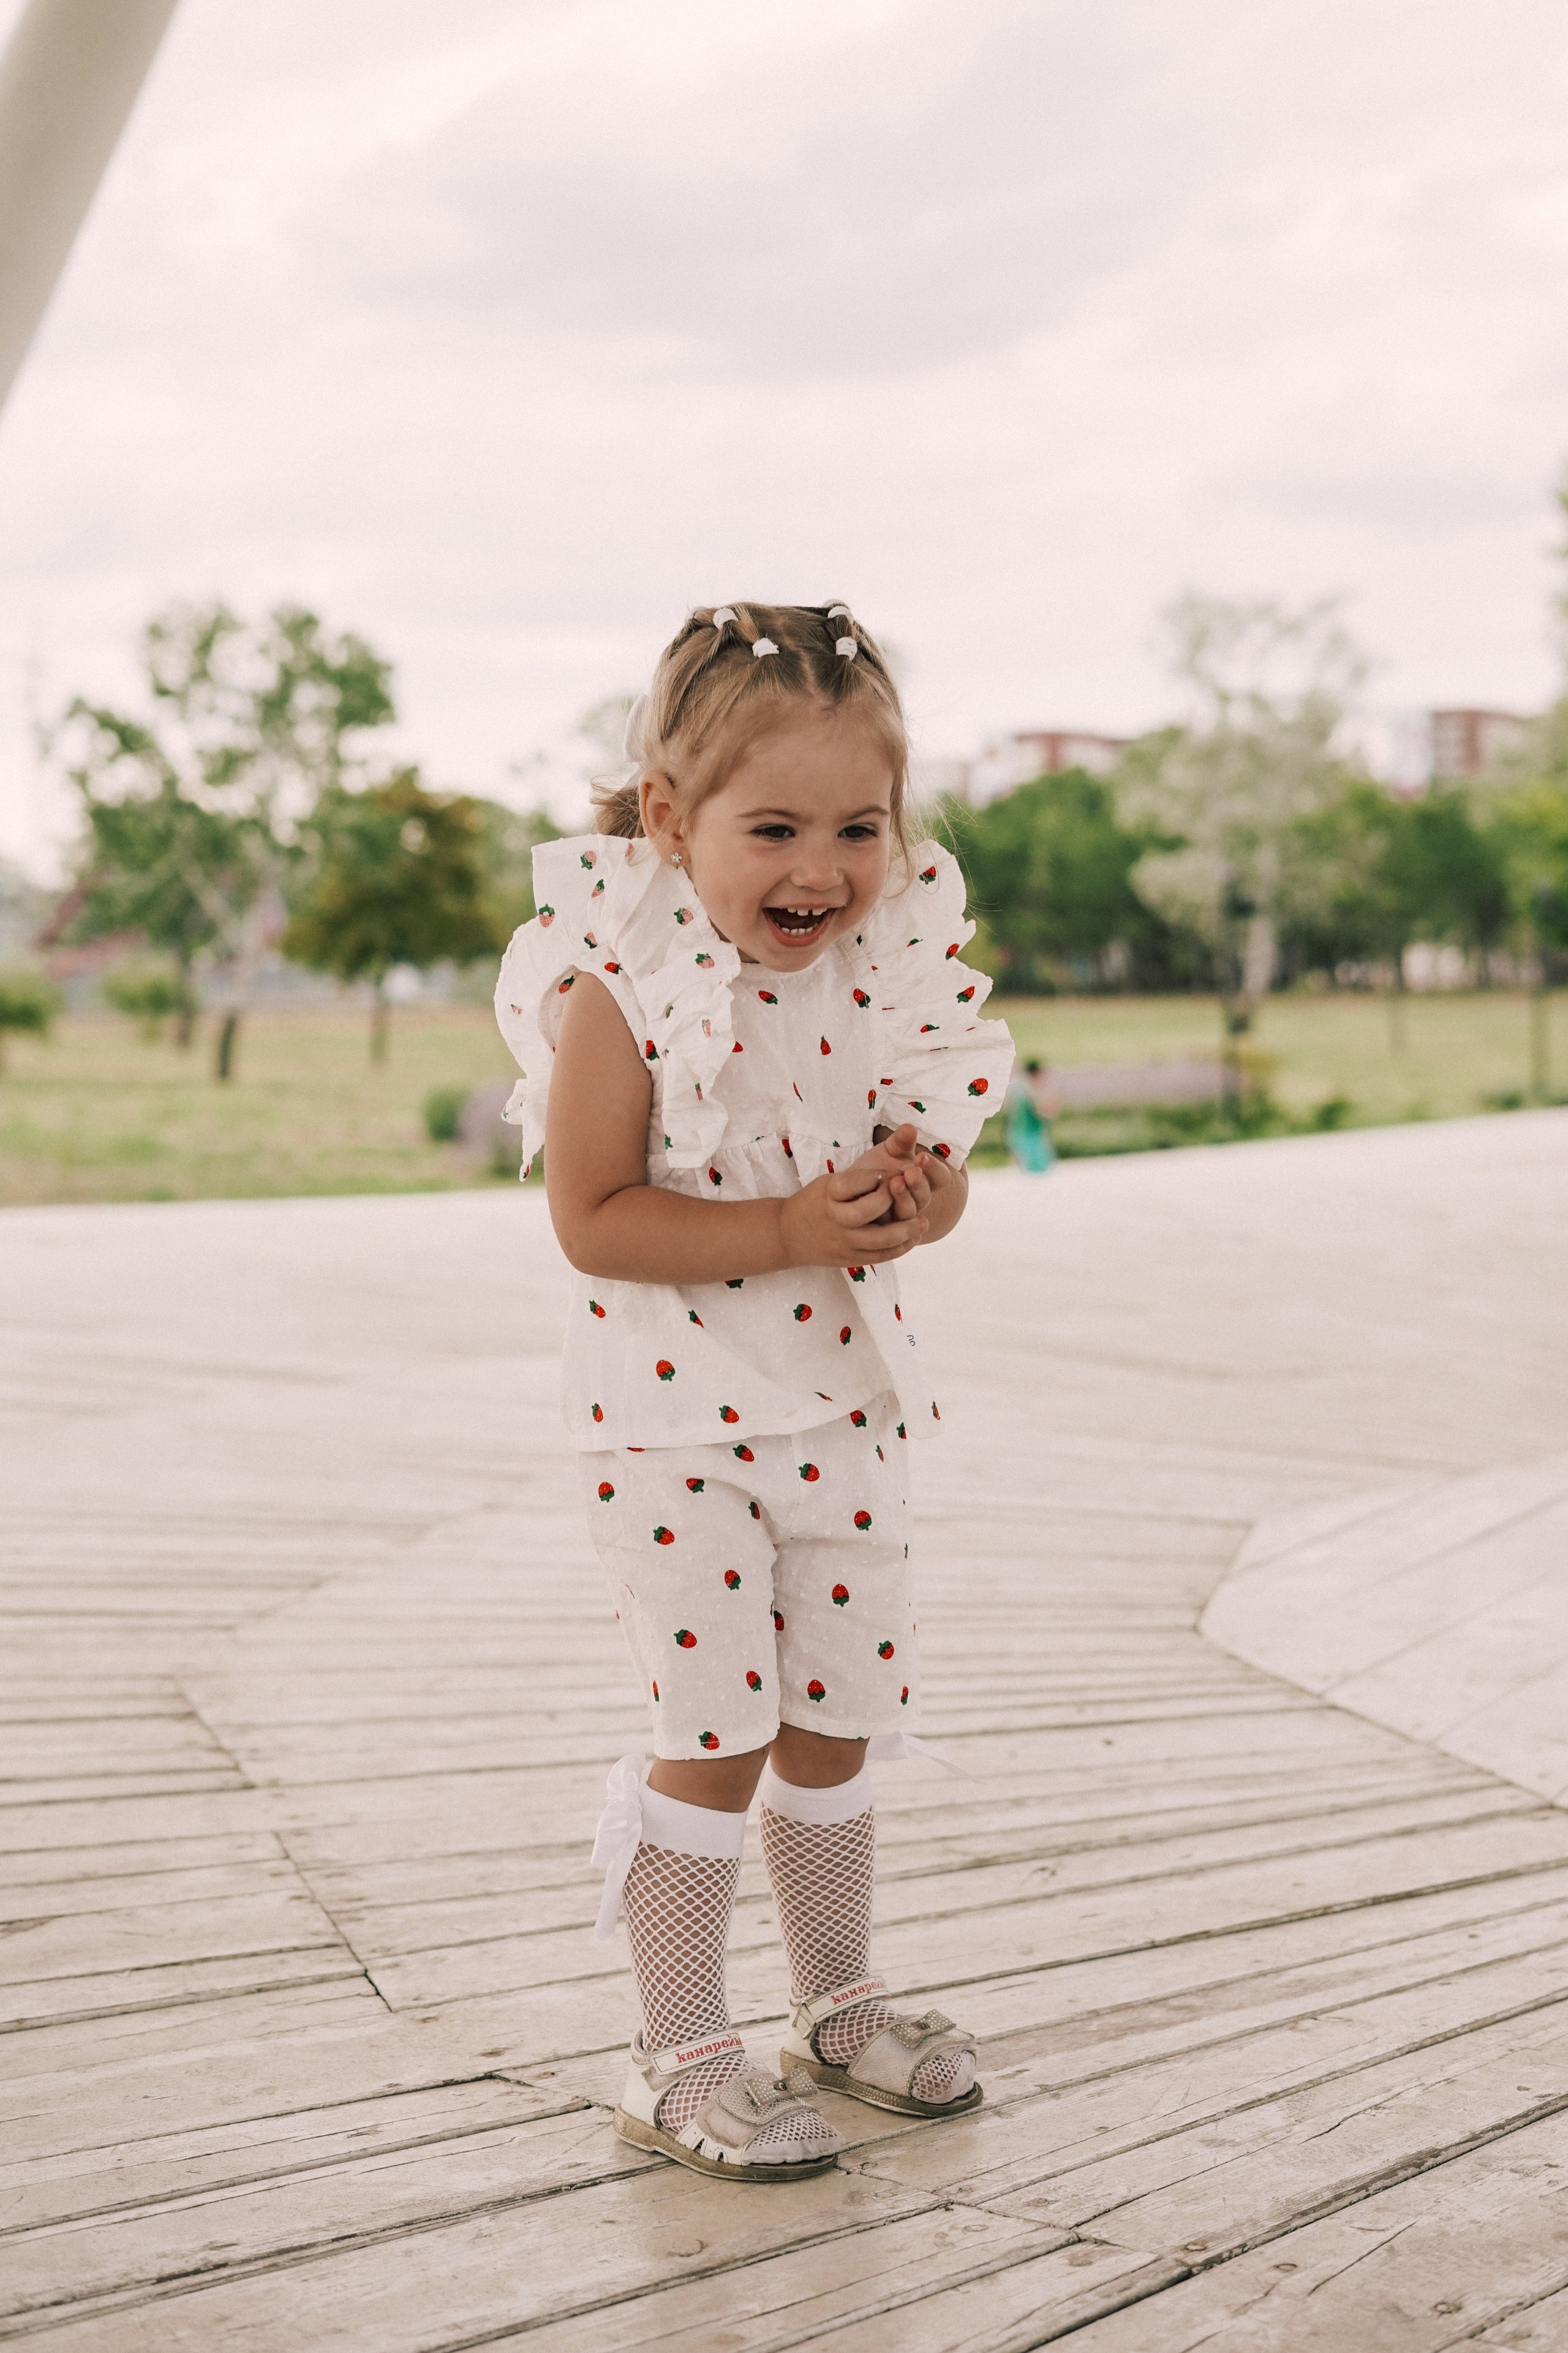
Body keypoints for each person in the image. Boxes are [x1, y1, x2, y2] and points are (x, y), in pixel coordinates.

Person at [495, 601, 1014, 2185]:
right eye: (773, 827)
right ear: (671, 816)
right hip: (673, 1424)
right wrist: (792, 1226)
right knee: (713, 1727)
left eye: (859, 827)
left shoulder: (876, 972)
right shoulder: (622, 991)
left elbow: (929, 1168)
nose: (821, 870)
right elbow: (592, 1215)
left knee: (836, 1719)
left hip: (842, 1407)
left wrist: (925, 1197)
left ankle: (837, 2003)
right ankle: (679, 2046)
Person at [1006, 1057, 1058, 1172]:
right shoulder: (1028, 1089)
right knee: (1036, 1172)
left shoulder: (1019, 1087)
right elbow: (1042, 1111)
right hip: (1028, 1138)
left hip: (1021, 1135)